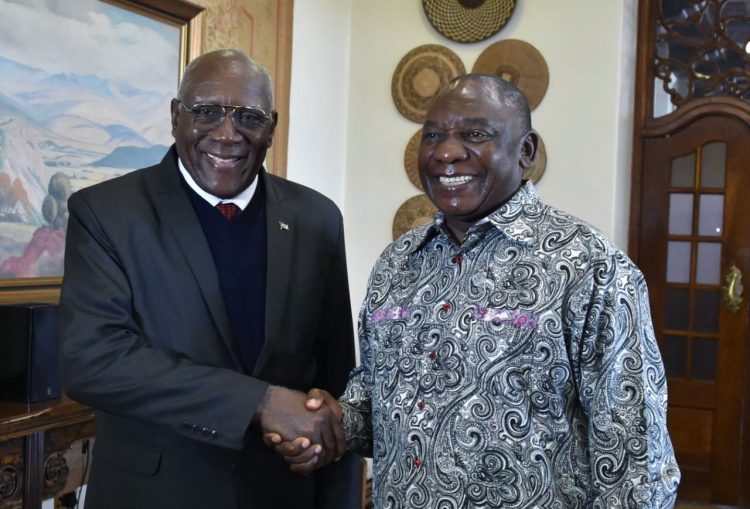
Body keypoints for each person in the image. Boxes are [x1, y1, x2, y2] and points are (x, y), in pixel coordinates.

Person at [269, 74, 681, 507]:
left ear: (526, 152)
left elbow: (638, 459)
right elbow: (377, 405)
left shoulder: (589, 267)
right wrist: (328, 422)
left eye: (474, 134)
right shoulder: (397, 264)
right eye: (433, 136)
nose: (446, 152)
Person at [58, 49, 358, 509]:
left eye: (249, 117)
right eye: (206, 112)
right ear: (177, 116)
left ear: (272, 127)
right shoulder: (107, 213)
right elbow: (93, 361)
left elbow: (335, 377)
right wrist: (260, 402)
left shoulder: (316, 218)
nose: (227, 134)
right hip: (153, 494)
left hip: (284, 493)